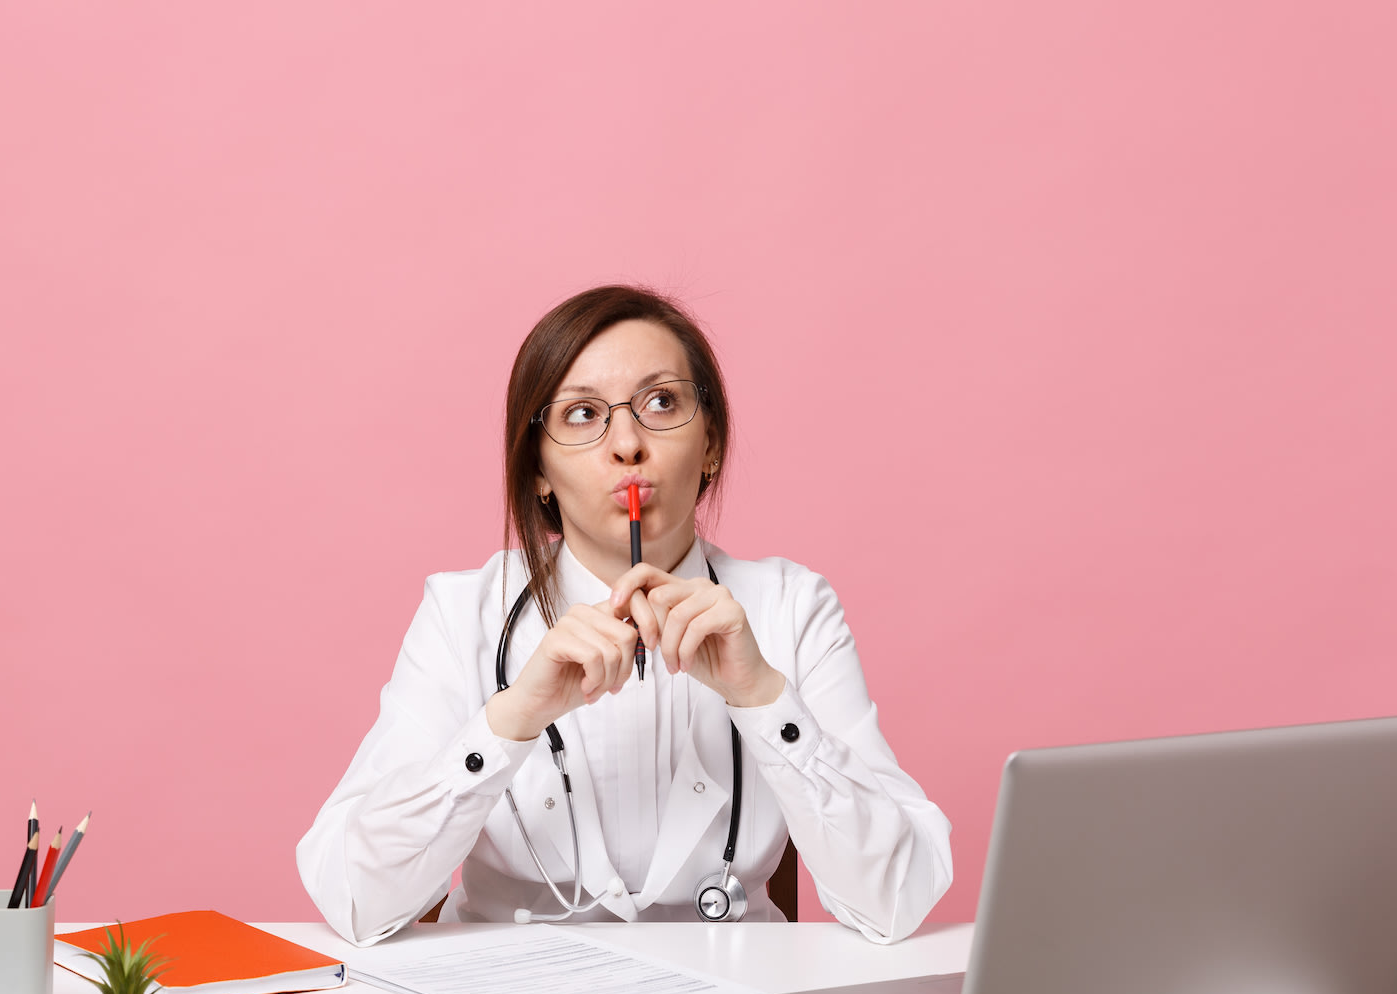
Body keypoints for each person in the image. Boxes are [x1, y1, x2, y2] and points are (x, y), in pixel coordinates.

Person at [298, 286, 952, 945]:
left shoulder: (791, 605)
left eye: (661, 402)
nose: (627, 444)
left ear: (713, 443)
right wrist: (508, 722)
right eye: (583, 414)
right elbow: (352, 897)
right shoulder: (463, 611)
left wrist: (763, 699)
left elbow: (899, 899)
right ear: (538, 473)